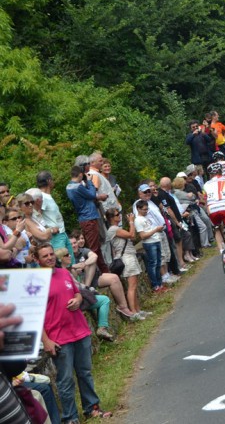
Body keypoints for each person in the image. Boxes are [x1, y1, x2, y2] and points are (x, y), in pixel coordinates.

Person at [33, 243, 113, 422]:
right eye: (45, 256)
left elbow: (77, 293)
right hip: (59, 337)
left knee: (85, 373)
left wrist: (77, 299)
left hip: (79, 330)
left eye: (51, 254)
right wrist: (46, 340)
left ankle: (92, 408)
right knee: (65, 380)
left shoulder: (63, 273)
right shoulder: (35, 281)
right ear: (38, 260)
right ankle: (70, 418)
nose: (50, 258)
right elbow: (34, 315)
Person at [65, 165, 110, 274]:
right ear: (80, 174)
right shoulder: (78, 187)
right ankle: (95, 273)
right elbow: (91, 194)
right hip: (89, 217)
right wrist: (89, 181)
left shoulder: (69, 187)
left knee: (95, 246)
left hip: (84, 218)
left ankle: (105, 270)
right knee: (94, 248)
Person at [105, 209, 147, 318]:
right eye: (117, 214)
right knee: (131, 286)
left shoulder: (117, 228)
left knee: (134, 285)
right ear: (111, 218)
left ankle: (137, 310)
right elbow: (132, 234)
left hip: (130, 255)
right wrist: (131, 221)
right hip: (126, 258)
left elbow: (131, 236)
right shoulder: (113, 229)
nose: (119, 216)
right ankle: (133, 312)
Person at [36, 171, 72, 262]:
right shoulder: (42, 196)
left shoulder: (47, 196)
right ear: (49, 181)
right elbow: (37, 215)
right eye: (52, 180)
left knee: (69, 262)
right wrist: (49, 229)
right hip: (55, 236)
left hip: (62, 233)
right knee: (62, 263)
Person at [134, 200, 166, 292]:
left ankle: (160, 284)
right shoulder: (138, 220)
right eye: (144, 209)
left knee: (158, 263)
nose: (146, 211)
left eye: (147, 209)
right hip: (149, 243)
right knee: (153, 264)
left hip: (156, 240)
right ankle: (155, 285)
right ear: (138, 209)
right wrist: (155, 230)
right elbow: (142, 236)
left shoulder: (145, 218)